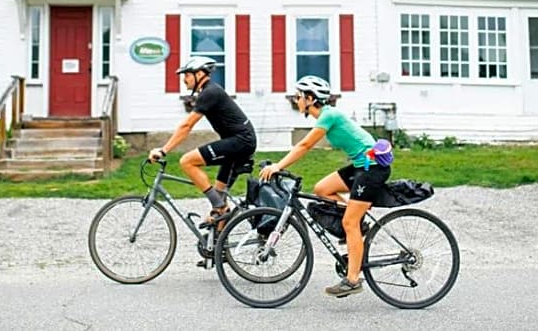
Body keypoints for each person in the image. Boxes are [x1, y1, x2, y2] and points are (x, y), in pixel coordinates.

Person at [259, 75, 390, 298]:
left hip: (372, 168)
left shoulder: (329, 115)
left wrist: (279, 165)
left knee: (349, 222)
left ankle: (353, 279)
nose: (296, 99)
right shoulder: (326, 116)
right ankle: (359, 224)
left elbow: (305, 144)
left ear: (310, 99)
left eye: (299, 96)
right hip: (361, 165)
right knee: (322, 189)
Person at [148, 55, 256, 227]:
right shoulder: (209, 91)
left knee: (187, 161)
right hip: (239, 142)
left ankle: (218, 204)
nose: (184, 80)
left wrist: (164, 150)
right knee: (220, 202)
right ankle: (218, 247)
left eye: (187, 75)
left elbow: (187, 125)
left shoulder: (210, 92)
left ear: (199, 74)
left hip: (240, 141)